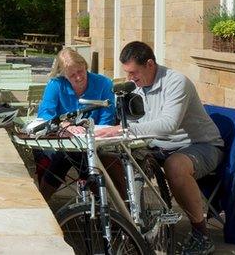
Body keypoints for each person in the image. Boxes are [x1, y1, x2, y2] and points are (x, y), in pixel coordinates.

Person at [96, 41, 224, 255]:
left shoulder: (176, 83)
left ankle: (201, 234)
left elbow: (167, 125)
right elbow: (140, 123)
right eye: (127, 73)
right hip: (160, 145)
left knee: (175, 166)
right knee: (116, 156)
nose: (130, 79)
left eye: (133, 72)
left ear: (149, 64)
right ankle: (132, 222)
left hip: (201, 145)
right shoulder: (139, 86)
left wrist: (123, 130)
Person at [32, 47, 117, 200]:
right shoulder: (56, 85)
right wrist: (65, 125)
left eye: (80, 71)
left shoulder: (103, 83)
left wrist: (90, 132)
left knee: (67, 157)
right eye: (72, 75)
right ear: (64, 76)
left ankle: (43, 200)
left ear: (85, 66)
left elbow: (107, 119)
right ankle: (97, 200)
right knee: (66, 155)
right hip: (65, 141)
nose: (78, 77)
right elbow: (45, 115)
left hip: (95, 141)